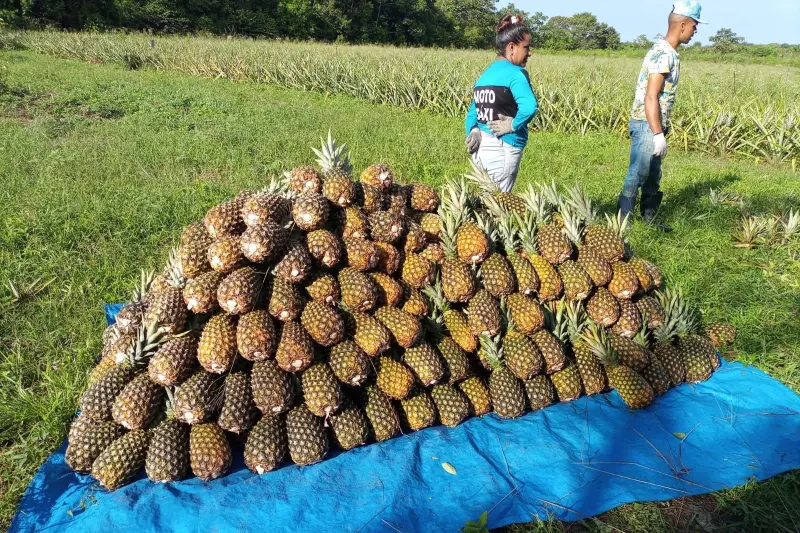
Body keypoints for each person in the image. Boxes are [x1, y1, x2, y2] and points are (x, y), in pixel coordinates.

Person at [617, 0, 707, 232]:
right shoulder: (663, 53)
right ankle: (622, 223)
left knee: (653, 174)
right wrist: (657, 134)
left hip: (655, 123)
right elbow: (651, 96)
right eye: (695, 25)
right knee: (638, 171)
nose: (696, 31)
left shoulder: (671, 53)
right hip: (647, 123)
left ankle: (648, 219)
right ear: (683, 24)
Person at [464, 14, 538, 193]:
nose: (529, 53)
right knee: (498, 203)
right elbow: (529, 107)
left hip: (481, 151)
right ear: (512, 47)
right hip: (503, 150)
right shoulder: (516, 73)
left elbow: (473, 112)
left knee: (485, 199)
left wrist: (473, 130)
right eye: (526, 47)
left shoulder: (485, 75)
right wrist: (512, 125)